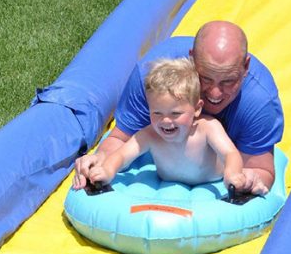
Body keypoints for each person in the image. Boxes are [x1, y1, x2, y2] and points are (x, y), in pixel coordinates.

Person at [73, 21, 283, 195]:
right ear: (191, 58)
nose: (215, 94)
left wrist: (248, 179)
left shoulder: (258, 102)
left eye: (228, 81)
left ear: (245, 68)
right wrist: (102, 160)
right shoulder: (155, 82)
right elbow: (121, 140)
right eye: (206, 79)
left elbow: (258, 168)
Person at [85, 57, 250, 192]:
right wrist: (107, 170)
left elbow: (230, 153)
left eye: (175, 113)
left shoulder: (207, 128)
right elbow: (121, 155)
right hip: (168, 186)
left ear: (197, 109)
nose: (165, 121)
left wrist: (233, 173)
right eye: (157, 113)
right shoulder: (150, 134)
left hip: (212, 181)